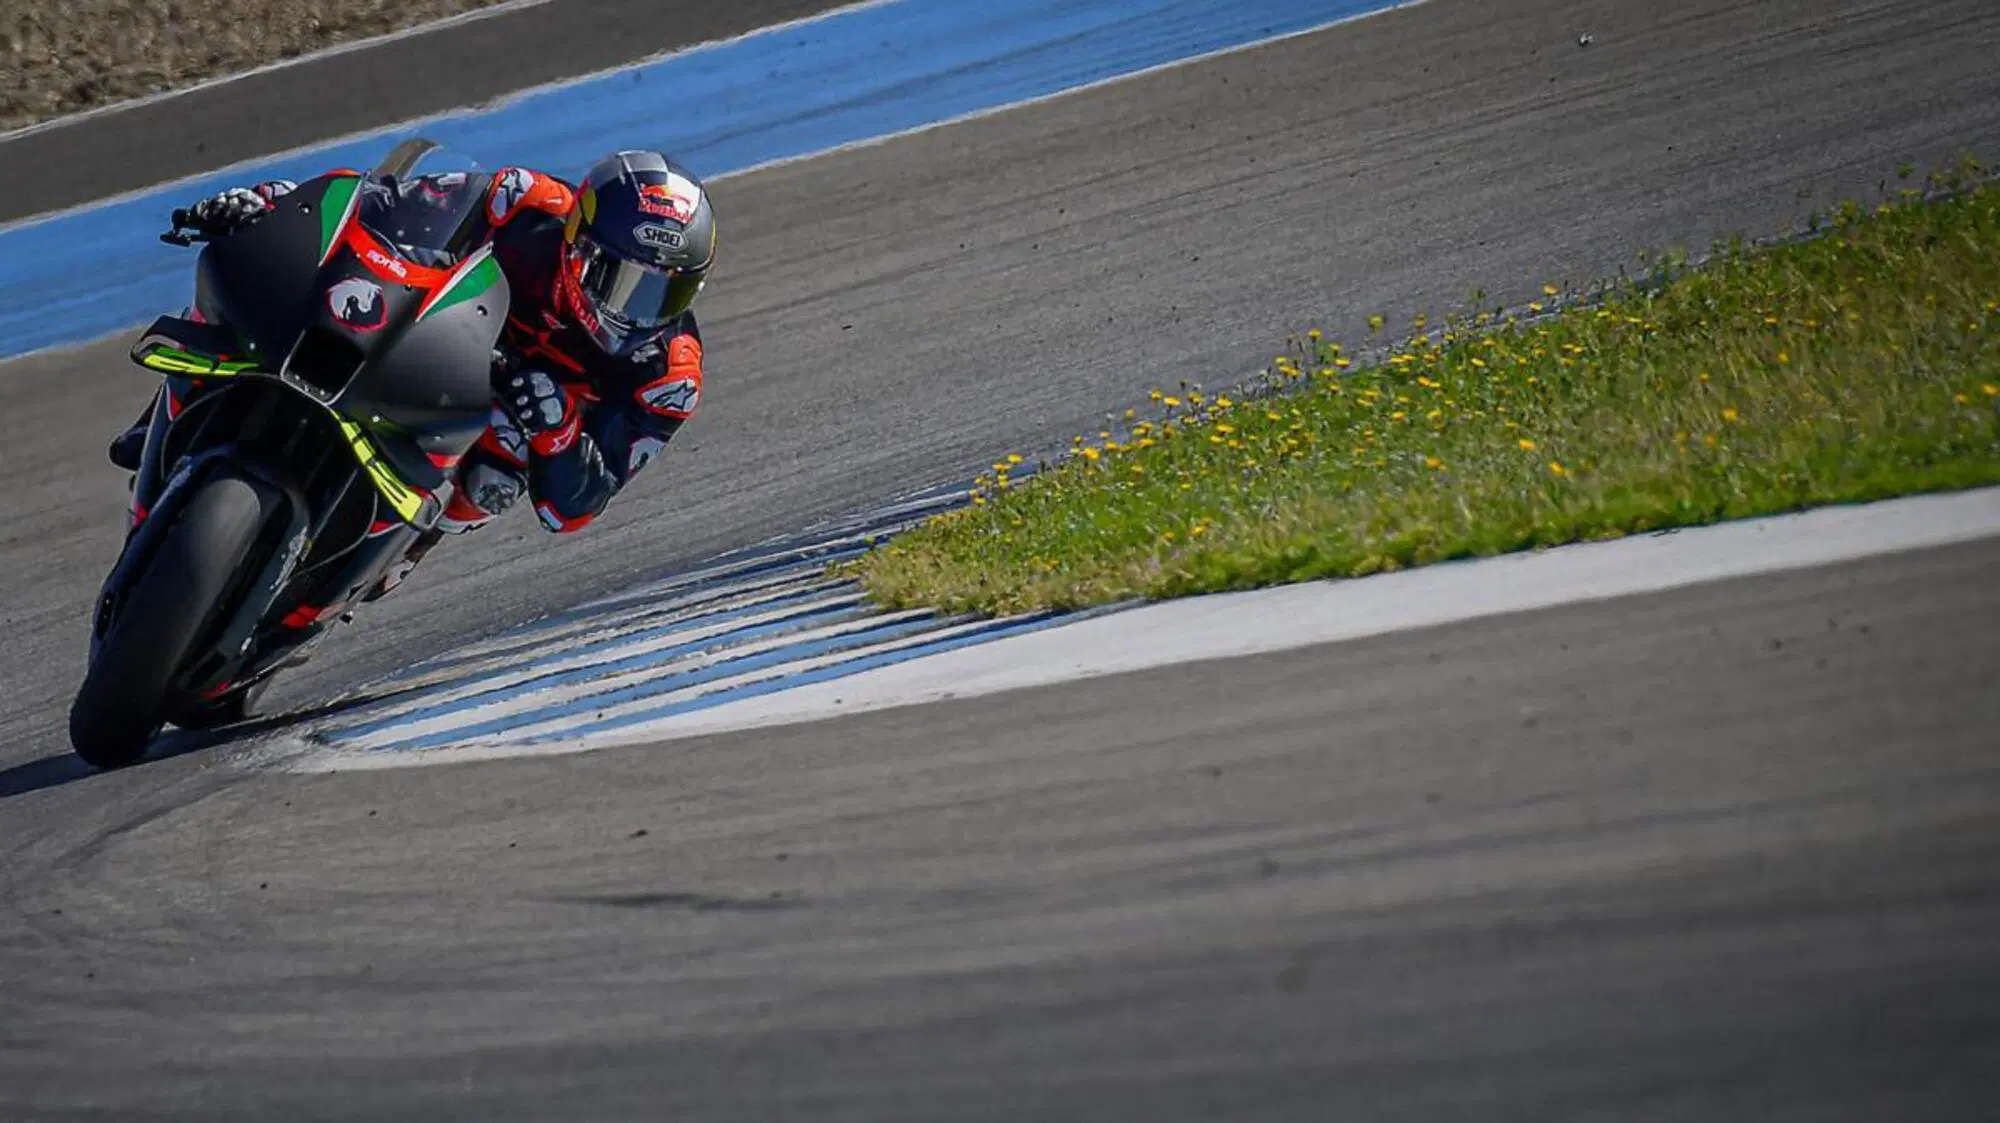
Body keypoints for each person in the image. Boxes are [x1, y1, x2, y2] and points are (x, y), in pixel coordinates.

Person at [109, 150, 717, 583]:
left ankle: (378, 558)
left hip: (486, 431)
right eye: (619, 280)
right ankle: (179, 401)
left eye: (663, 295)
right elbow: (381, 203)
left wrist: (556, 431)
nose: (632, 310)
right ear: (575, 238)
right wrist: (270, 203)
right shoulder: (522, 200)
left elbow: (573, 509)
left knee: (492, 481)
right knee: (278, 283)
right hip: (425, 338)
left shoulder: (668, 378)